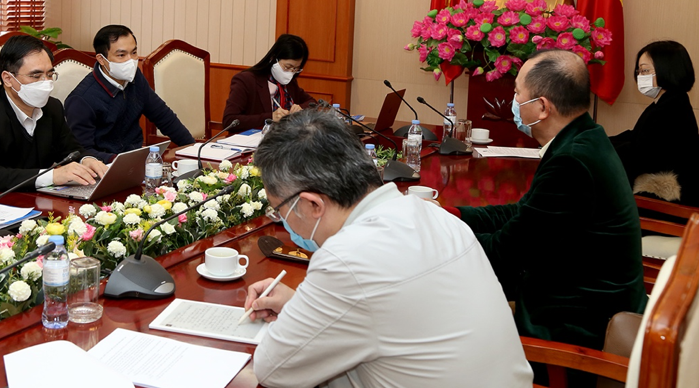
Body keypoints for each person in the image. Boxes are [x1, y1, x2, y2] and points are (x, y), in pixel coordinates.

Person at [243, 109, 533, 388]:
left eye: (280, 210)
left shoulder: (347, 258)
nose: (283, 221)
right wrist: (302, 307)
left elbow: (273, 369)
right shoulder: (433, 214)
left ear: (313, 204)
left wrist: (299, 317)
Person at [449, 50, 646, 353]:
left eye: (517, 92)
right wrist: (456, 215)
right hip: (584, 294)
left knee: (450, 315)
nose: (513, 101)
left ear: (541, 107)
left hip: (576, 325)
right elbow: (524, 214)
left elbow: (506, 251)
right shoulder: (584, 137)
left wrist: (441, 233)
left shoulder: (571, 161)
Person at [0, 35, 108, 194]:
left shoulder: (52, 108)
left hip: (29, 202)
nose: (46, 83)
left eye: (50, 75)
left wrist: (87, 160)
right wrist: (52, 175)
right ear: (8, 79)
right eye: (35, 76)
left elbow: (71, 150)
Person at [64, 25, 194, 162]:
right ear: (101, 59)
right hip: (104, 167)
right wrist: (122, 161)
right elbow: (82, 152)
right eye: (121, 55)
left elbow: (163, 115)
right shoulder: (81, 99)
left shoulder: (135, 77)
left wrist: (192, 148)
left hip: (137, 159)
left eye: (133, 53)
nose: (130, 61)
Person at [610, 41, 699, 206]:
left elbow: (643, 153)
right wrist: (603, 140)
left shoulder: (673, 108)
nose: (639, 76)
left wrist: (603, 149)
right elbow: (636, 136)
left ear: (667, 69)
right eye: (639, 71)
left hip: (665, 201)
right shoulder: (667, 102)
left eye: (645, 70)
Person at [222, 34, 316, 132]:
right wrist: (270, 117)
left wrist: (300, 108)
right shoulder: (246, 80)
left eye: (295, 69)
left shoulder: (290, 83)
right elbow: (229, 120)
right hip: (253, 140)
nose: (290, 73)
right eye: (287, 67)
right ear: (273, 58)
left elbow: (312, 103)